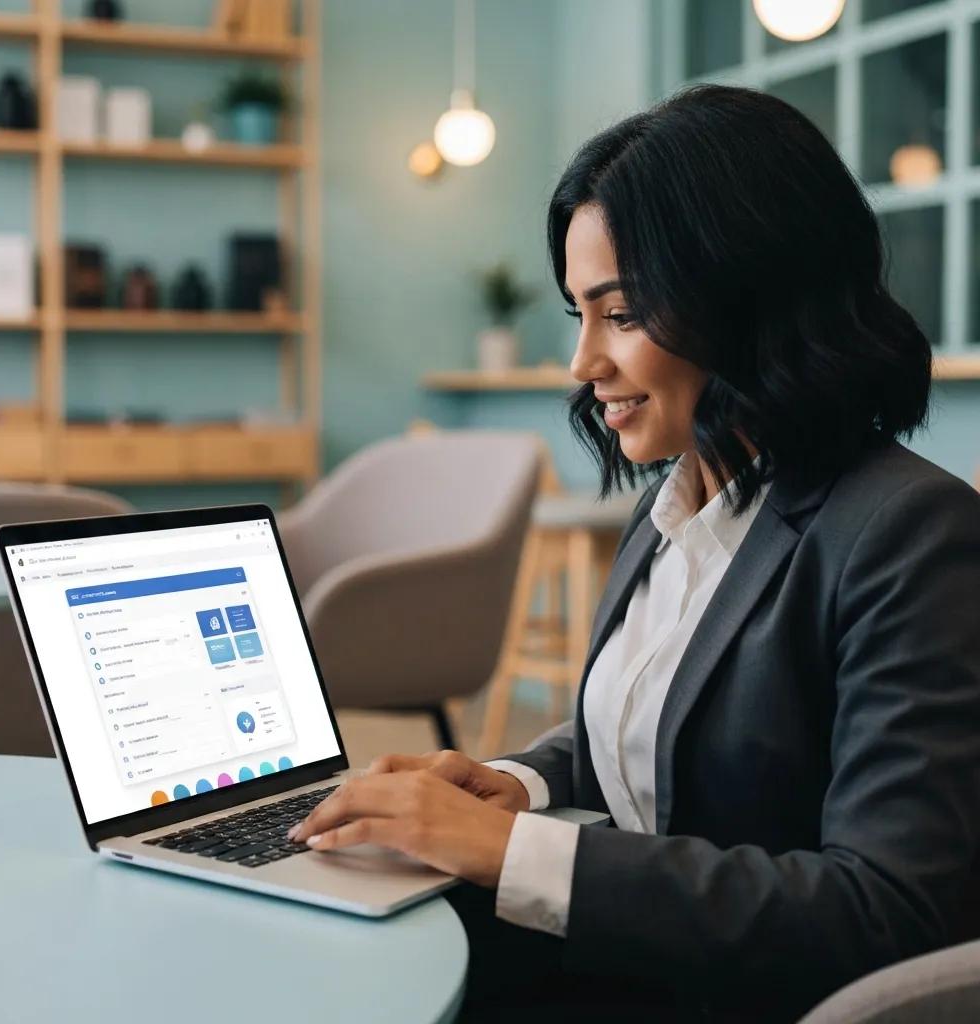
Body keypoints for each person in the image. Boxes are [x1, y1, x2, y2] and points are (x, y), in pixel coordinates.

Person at [290, 85, 980, 1021]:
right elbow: (668, 735)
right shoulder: (676, 505)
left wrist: (511, 853)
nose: (582, 363)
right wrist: (519, 783)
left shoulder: (911, 534)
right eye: (579, 313)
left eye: (620, 314)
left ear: (746, 297)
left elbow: (885, 911)